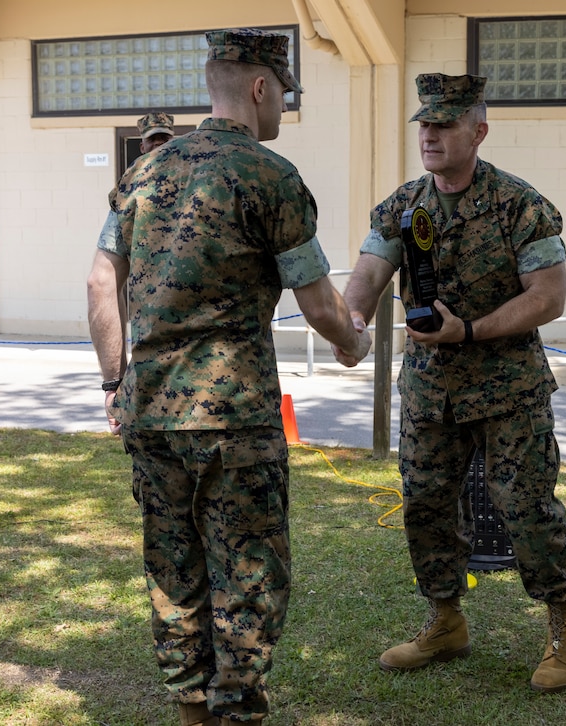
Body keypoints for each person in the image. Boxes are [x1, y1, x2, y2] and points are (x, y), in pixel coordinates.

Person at [87, 28, 371, 726]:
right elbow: (316, 299)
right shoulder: (270, 176)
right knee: (246, 573)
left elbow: (101, 282)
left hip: (152, 414)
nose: (284, 108)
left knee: (174, 571)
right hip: (233, 419)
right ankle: (237, 711)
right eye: (285, 94)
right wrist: (353, 342)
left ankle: (191, 709)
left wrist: (114, 382)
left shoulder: (143, 174)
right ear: (259, 87)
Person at [337, 73, 566, 694]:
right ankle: (445, 621)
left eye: (444, 124)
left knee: (524, 508)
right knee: (426, 508)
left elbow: (549, 297)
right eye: (424, 123)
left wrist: (470, 331)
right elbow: (369, 275)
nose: (430, 134)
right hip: (429, 394)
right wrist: (349, 323)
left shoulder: (521, 205)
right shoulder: (402, 207)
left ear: (478, 131)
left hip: (508, 390)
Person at [89, 111, 177, 381]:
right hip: (152, 332)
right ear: (142, 146)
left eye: (165, 138)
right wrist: (115, 379)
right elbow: (102, 282)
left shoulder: (197, 179)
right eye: (153, 140)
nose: (159, 144)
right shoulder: (128, 188)